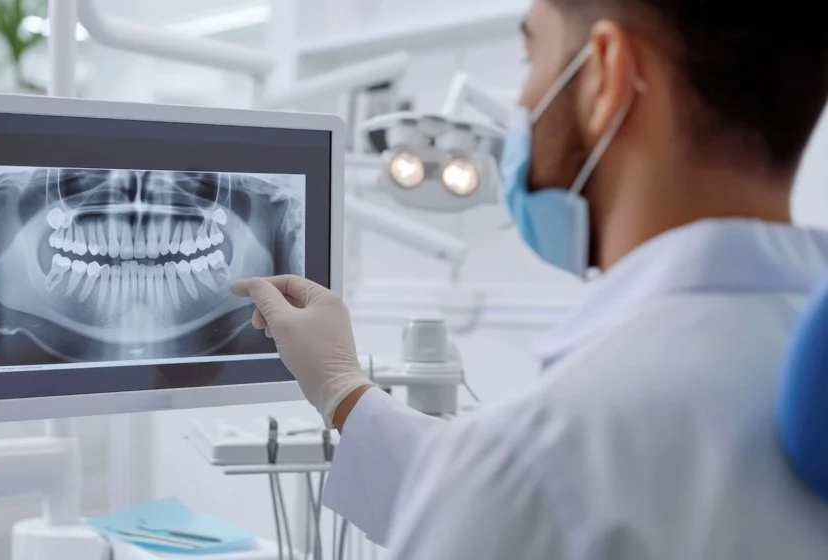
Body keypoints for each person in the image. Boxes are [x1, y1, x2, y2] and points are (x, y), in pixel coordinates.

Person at [231, 0, 828, 556]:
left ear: (605, 75)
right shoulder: (793, 349)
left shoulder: (545, 454)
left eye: (531, 57)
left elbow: (512, 488)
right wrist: (342, 390)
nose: (525, 98)